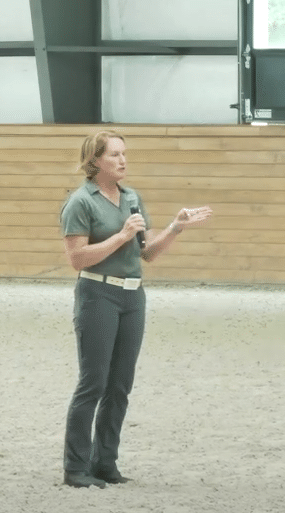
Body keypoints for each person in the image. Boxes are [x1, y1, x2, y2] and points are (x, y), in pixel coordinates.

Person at [59, 130, 212, 488]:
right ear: (95, 160)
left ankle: (105, 462)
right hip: (98, 294)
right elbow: (77, 258)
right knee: (92, 383)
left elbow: (147, 253)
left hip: (132, 297)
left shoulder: (132, 197)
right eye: (114, 155)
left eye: (124, 154)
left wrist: (176, 228)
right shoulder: (81, 202)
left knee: (120, 386)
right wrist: (121, 237)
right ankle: (75, 467)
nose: (123, 160)